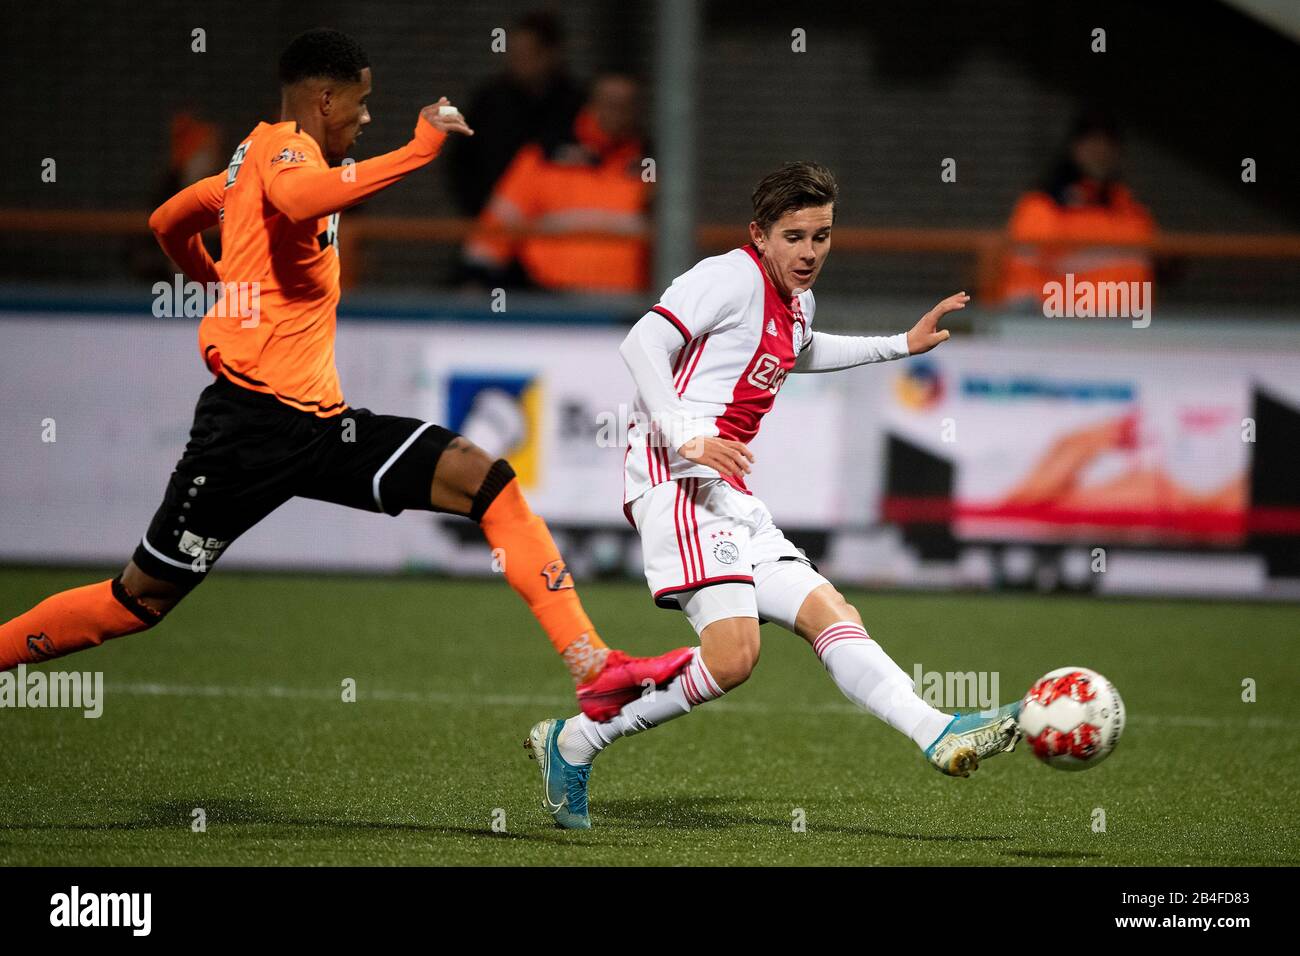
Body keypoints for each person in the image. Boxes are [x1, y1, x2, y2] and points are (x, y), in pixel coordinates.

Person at [0, 28, 691, 720]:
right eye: (360, 105)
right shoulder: (284, 153)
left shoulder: (247, 162)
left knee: (488, 482)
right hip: (248, 431)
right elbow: (301, 201)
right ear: (324, 99)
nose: (366, 119)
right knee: (138, 600)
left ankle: (592, 666)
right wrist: (421, 147)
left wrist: (220, 280)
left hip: (322, 429)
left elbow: (167, 221)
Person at [525, 162, 1022, 829]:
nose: (810, 252)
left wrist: (899, 345)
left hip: (726, 491)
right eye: (794, 236)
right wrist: (686, 433)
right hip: (678, 479)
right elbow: (642, 341)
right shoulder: (726, 277)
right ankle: (577, 741)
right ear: (759, 234)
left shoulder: (795, 300)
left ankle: (937, 730)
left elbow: (801, 350)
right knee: (734, 659)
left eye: (822, 236)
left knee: (828, 610)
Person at [461, 72, 650, 294]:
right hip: (552, 305)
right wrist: (475, 279)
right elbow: (501, 221)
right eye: (609, 103)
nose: (617, 113)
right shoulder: (544, 157)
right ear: (590, 104)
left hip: (630, 307)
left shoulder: (652, 163)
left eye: (625, 105)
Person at [997, 109, 1156, 309]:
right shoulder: (1043, 207)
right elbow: (1022, 281)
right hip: (1067, 330)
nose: (1101, 151)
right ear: (1074, 147)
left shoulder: (1129, 208)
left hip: (1131, 328)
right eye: (1092, 141)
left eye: (1108, 143)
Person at [445, 10, 585, 217]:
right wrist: (481, 209)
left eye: (527, 54)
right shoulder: (489, 101)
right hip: (495, 223)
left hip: (557, 226)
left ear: (552, 54)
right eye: (514, 54)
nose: (517, 62)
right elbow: (461, 161)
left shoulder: (578, 106)